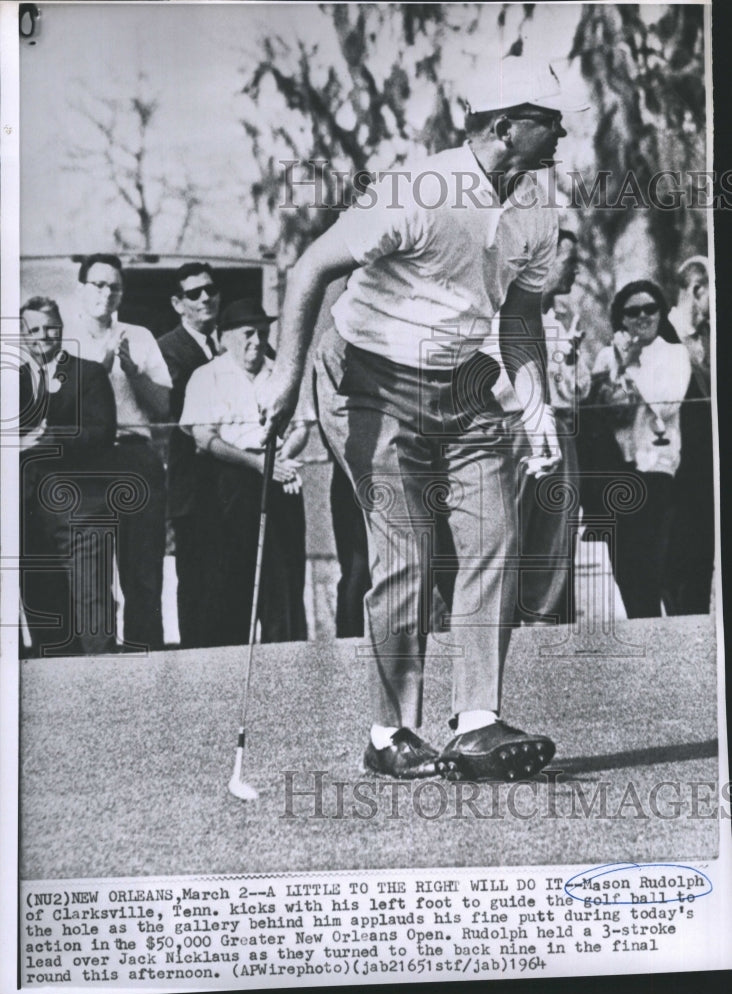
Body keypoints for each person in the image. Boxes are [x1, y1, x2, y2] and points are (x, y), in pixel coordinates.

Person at [255, 70, 576, 781]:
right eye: (550, 120)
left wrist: (537, 406)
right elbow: (309, 270)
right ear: (504, 127)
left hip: (461, 381)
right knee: (404, 551)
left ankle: (477, 723)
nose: (563, 133)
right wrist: (284, 380)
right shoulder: (417, 193)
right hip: (364, 378)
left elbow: (520, 319)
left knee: (495, 530)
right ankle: (387, 732)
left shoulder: (539, 207)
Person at [179, 298, 309, 645]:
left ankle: (286, 662)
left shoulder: (282, 374)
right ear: (224, 338)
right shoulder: (207, 376)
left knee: (283, 579)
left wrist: (281, 459)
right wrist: (258, 465)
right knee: (229, 577)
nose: (256, 341)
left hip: (279, 475)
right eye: (248, 334)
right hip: (228, 480)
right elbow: (204, 437)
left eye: (263, 333)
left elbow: (300, 428)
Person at [64, 254, 171, 650]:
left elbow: (162, 408)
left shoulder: (139, 336)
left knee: (143, 571)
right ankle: (101, 669)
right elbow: (63, 407)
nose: (106, 294)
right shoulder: (63, 336)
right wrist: (100, 368)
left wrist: (132, 371)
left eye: (114, 286)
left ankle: (147, 662)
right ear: (81, 289)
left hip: (134, 455)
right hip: (86, 460)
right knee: (91, 574)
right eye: (98, 284)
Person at [19, 297, 117, 655]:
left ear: (61, 328)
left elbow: (103, 431)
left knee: (93, 608)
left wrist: (54, 435)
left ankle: (105, 690)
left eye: (49, 327)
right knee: (44, 610)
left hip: (81, 508)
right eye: (33, 330)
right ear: (23, 335)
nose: (42, 336)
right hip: (28, 512)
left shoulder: (89, 373)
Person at [591, 280, 691, 619]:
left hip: (656, 471)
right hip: (616, 473)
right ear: (621, 317)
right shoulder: (608, 355)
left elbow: (665, 404)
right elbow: (603, 410)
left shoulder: (674, 353)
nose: (642, 317)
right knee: (625, 570)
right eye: (632, 312)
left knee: (654, 567)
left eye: (650, 309)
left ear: (660, 312)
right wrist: (618, 366)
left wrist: (632, 365)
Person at [516, 229, 590, 624]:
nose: (575, 272)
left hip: (558, 430)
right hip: (513, 432)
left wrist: (571, 357)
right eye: (570, 261)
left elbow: (580, 391)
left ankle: (545, 624)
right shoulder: (506, 309)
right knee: (511, 533)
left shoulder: (562, 321)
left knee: (556, 536)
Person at [158, 263, 223, 648]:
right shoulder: (167, 350)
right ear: (177, 303)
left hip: (234, 485)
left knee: (228, 582)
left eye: (210, 290)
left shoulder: (237, 344)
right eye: (194, 293)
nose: (204, 298)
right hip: (193, 489)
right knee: (198, 584)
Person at [664, 256, 714, 615]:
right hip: (673, 468)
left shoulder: (713, 334)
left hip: (706, 469)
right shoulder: (662, 332)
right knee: (675, 558)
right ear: (697, 289)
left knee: (703, 557)